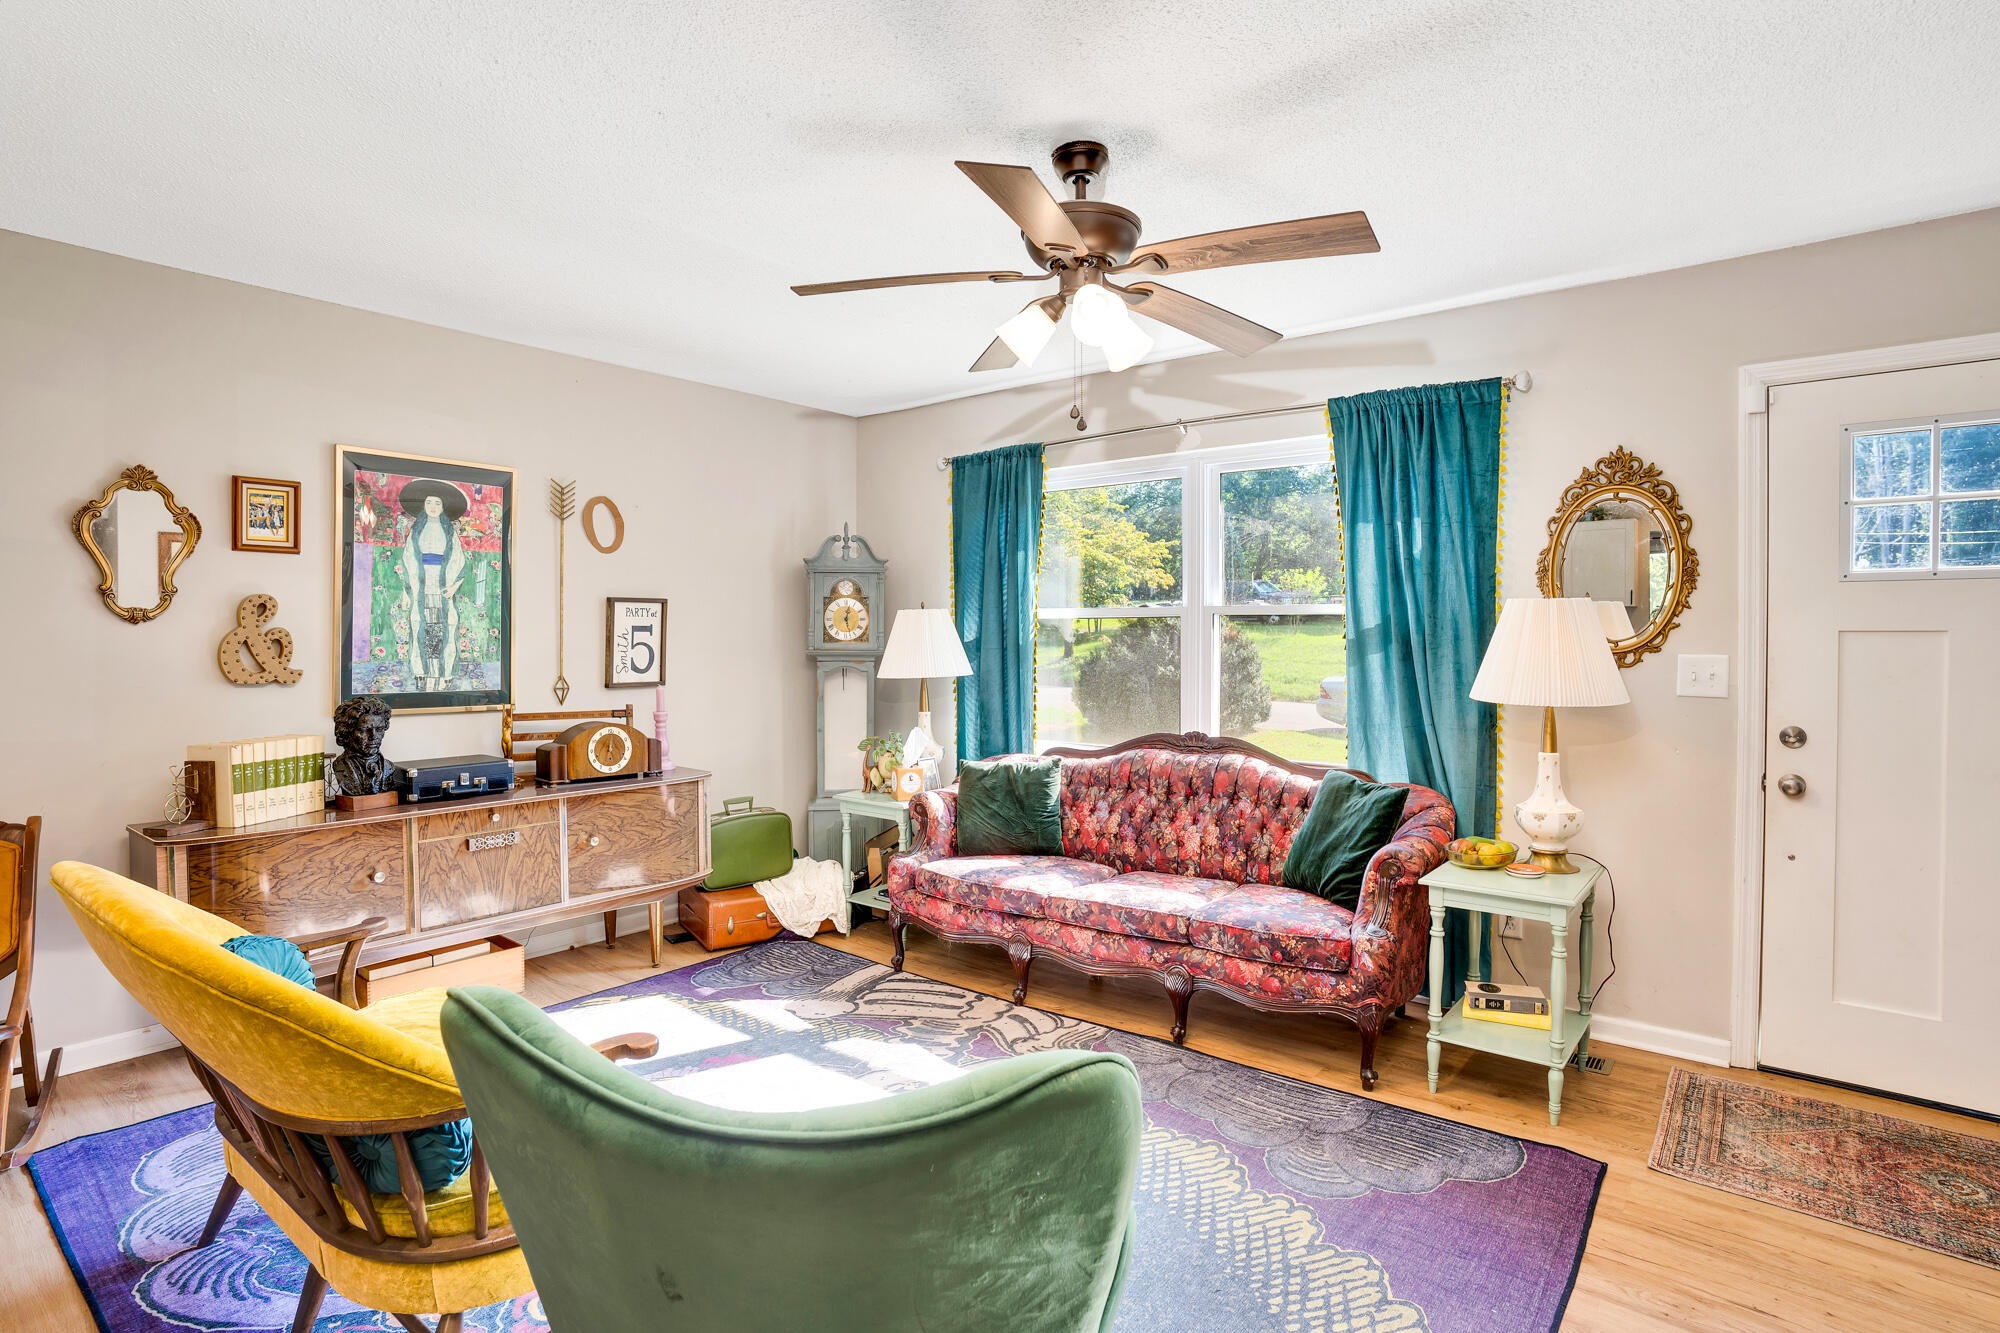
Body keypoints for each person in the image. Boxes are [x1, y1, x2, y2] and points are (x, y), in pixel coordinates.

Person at [396, 479, 469, 693]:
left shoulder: (449, 533)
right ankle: (421, 672)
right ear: (423, 505)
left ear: (443, 506)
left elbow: (459, 560)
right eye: (429, 502)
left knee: (445, 626)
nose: (433, 507)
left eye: (437, 503)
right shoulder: (416, 532)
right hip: (421, 585)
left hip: (443, 584)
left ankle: (444, 674)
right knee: (421, 625)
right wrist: (407, 591)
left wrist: (454, 586)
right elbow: (408, 559)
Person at [329, 697, 403, 797]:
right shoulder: (340, 766)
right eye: (364, 730)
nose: (373, 736)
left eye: (379, 729)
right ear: (347, 732)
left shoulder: (388, 768)